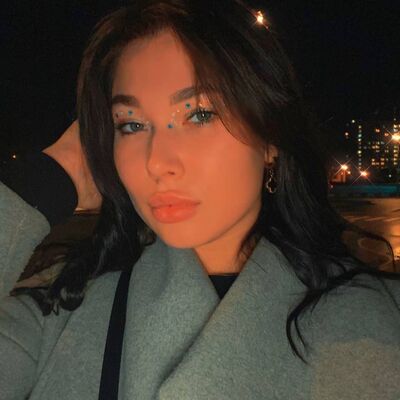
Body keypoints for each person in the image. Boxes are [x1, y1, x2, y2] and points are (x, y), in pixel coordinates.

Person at [1, 1, 399, 399]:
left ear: (270, 137)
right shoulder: (61, 303)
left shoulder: (377, 322)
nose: (157, 161)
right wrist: (52, 177)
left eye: (200, 115)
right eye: (132, 124)